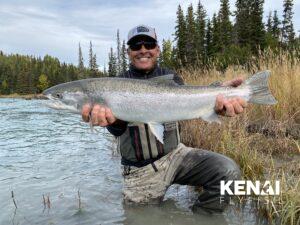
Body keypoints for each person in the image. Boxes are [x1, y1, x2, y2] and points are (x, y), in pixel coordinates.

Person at [82, 25, 247, 212]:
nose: (143, 50)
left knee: (227, 171)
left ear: (157, 49)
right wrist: (113, 120)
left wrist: (220, 96)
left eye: (149, 44)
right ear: (128, 52)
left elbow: (192, 102)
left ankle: (203, 218)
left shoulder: (171, 77)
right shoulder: (115, 85)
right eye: (136, 46)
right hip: (140, 171)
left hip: (176, 156)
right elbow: (117, 130)